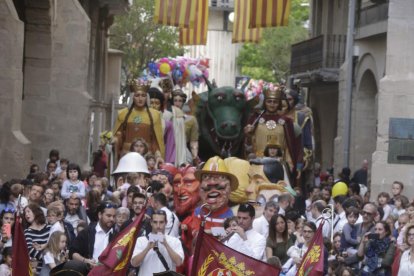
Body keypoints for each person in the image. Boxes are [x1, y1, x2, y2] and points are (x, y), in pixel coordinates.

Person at [244, 86, 303, 180]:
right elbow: (248, 145)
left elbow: (290, 147)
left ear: (279, 103)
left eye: (275, 102)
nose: (272, 104)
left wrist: (292, 165)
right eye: (269, 101)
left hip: (279, 166)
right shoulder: (255, 120)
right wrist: (247, 134)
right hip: (258, 164)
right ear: (265, 103)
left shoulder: (286, 122)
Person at [112, 80, 165, 160]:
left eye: (143, 95)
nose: (140, 99)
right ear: (132, 97)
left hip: (147, 157)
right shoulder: (123, 114)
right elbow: (119, 135)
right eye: (137, 95)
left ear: (146, 97)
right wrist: (114, 140)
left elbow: (155, 141)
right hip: (127, 156)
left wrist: (158, 155)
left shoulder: (155, 115)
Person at [130, 210, 184, 275]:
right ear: (151, 223)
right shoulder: (141, 240)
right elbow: (134, 263)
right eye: (155, 222)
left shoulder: (175, 241)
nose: (158, 226)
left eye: (161, 222)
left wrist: (166, 244)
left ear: (166, 223)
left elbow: (179, 263)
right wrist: (147, 248)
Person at [69, 201, 118, 268]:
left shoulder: (117, 235)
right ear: (100, 215)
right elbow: (73, 253)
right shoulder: (86, 233)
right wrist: (86, 261)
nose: (112, 219)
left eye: (114, 216)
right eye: (108, 216)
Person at [23, 203, 52, 274]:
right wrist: (46, 258)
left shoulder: (49, 227)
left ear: (36, 212)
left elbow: (54, 243)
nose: (26, 214)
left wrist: (42, 247)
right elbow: (30, 249)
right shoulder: (27, 231)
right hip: (40, 269)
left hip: (54, 263)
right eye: (25, 213)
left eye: (28, 211)